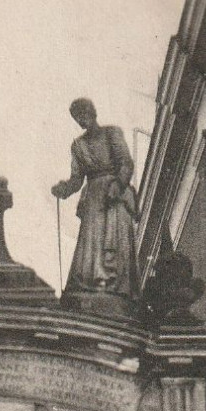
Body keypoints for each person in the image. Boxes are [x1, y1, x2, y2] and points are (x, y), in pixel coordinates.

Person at [51, 97, 139, 302]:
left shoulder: (111, 133)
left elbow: (126, 162)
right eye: (77, 118)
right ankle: (94, 286)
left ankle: (116, 287)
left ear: (93, 112)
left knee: (114, 240)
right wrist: (63, 189)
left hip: (114, 195)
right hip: (93, 197)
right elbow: (76, 178)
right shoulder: (78, 146)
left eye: (83, 114)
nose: (81, 120)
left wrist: (118, 185)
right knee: (92, 243)